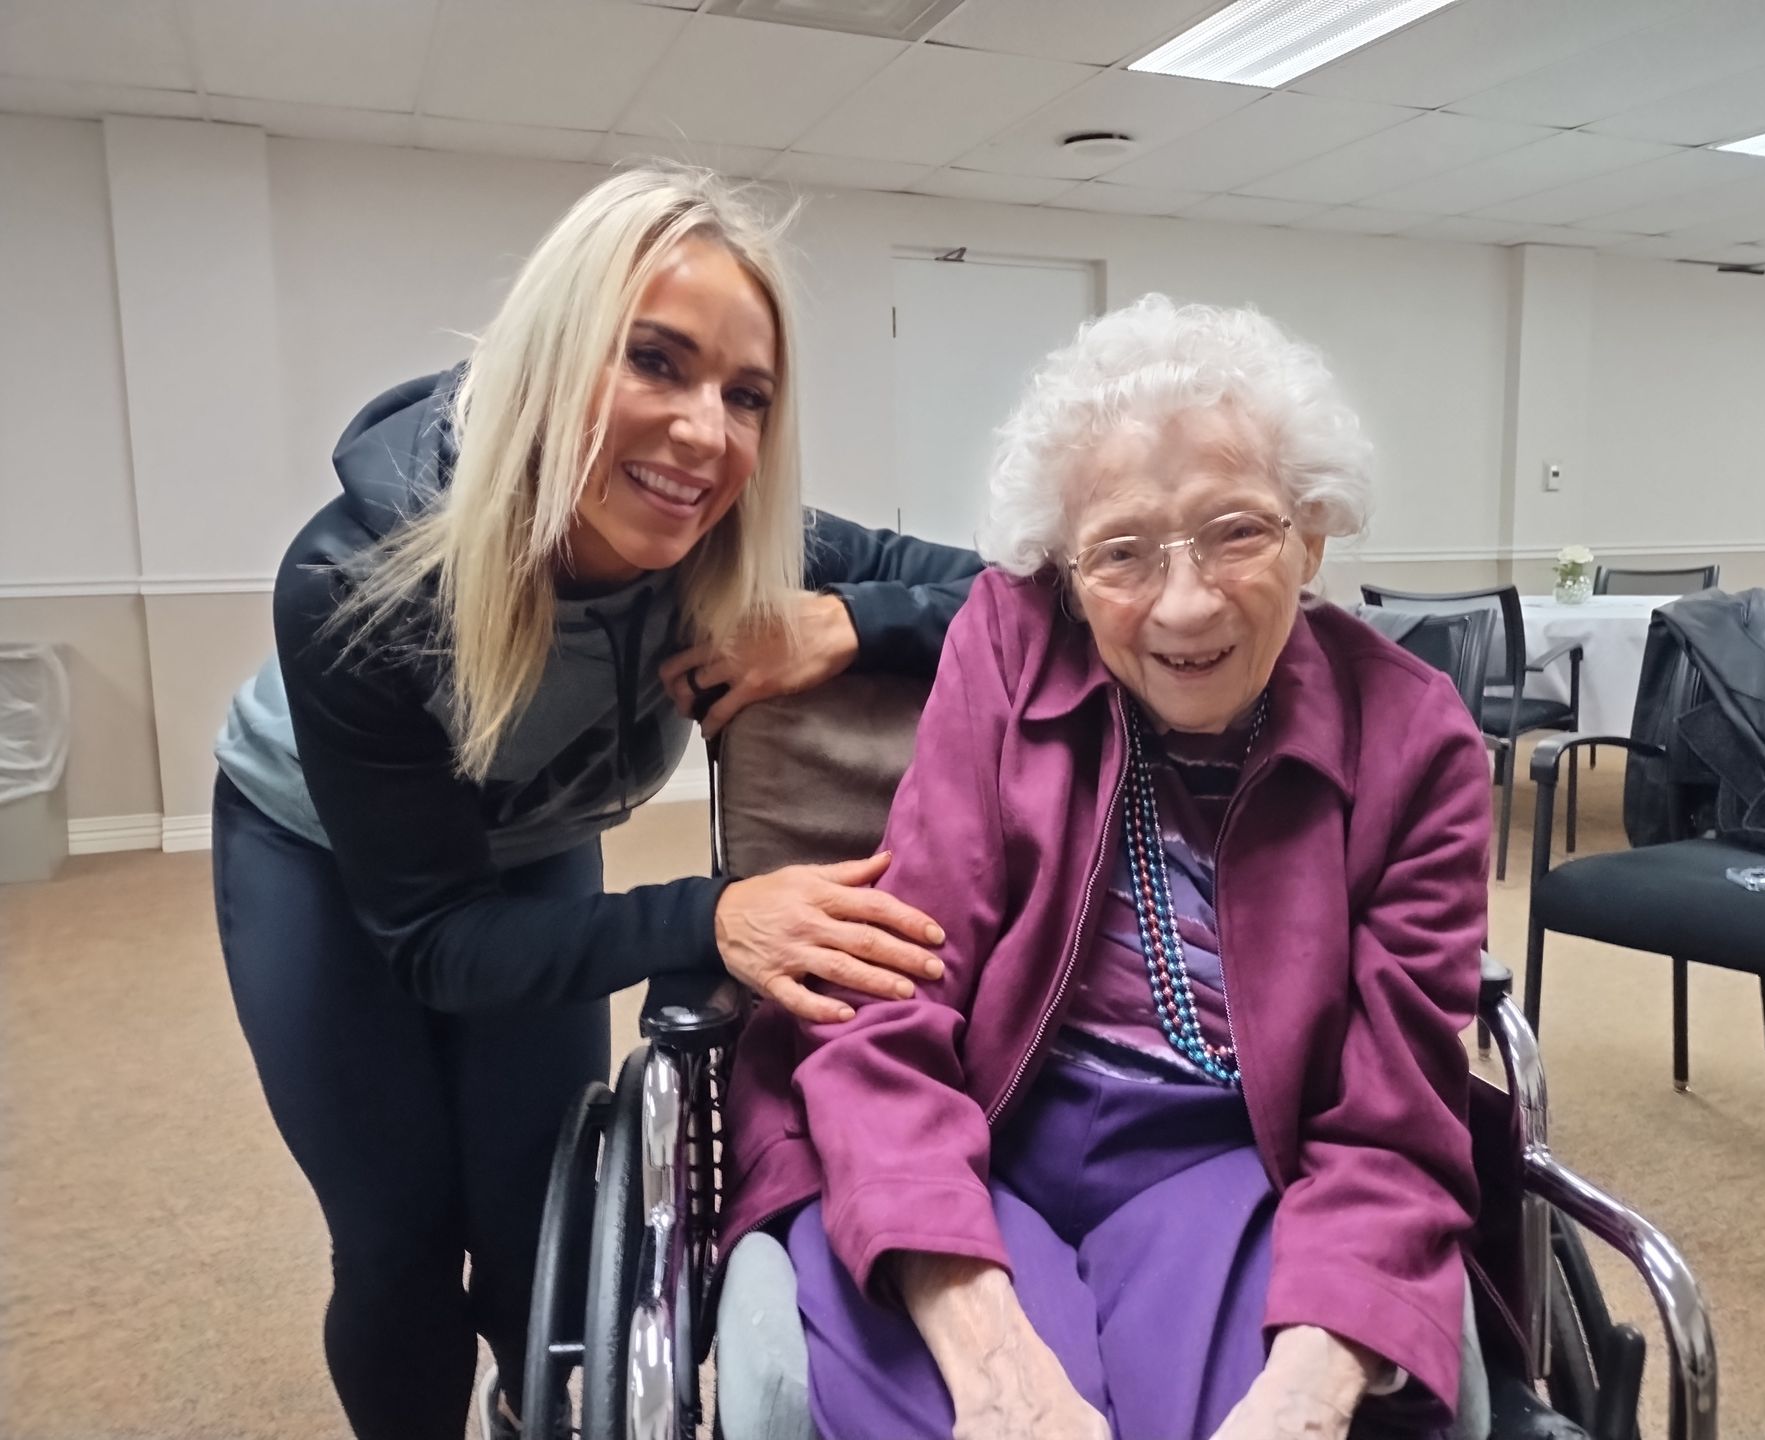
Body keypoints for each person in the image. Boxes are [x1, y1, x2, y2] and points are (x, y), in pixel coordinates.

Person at [209, 166, 981, 1440]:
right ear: (554, 356)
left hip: (540, 842)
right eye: (655, 363)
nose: (702, 434)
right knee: (399, 1236)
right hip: (327, 861)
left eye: (746, 397)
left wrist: (853, 617)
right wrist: (716, 914)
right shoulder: (358, 582)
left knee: (535, 1219)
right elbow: (440, 942)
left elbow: (1024, 598)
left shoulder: (732, 533)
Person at [717, 295, 1492, 1440]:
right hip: (983, 1122)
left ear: (1314, 531)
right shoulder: (1005, 644)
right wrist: (991, 1360)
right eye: (1123, 551)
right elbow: (896, 991)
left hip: (1235, 1150)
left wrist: (1310, 1393)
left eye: (1239, 530)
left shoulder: (1418, 741)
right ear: (1070, 576)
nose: (1184, 603)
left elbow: (1393, 1121)